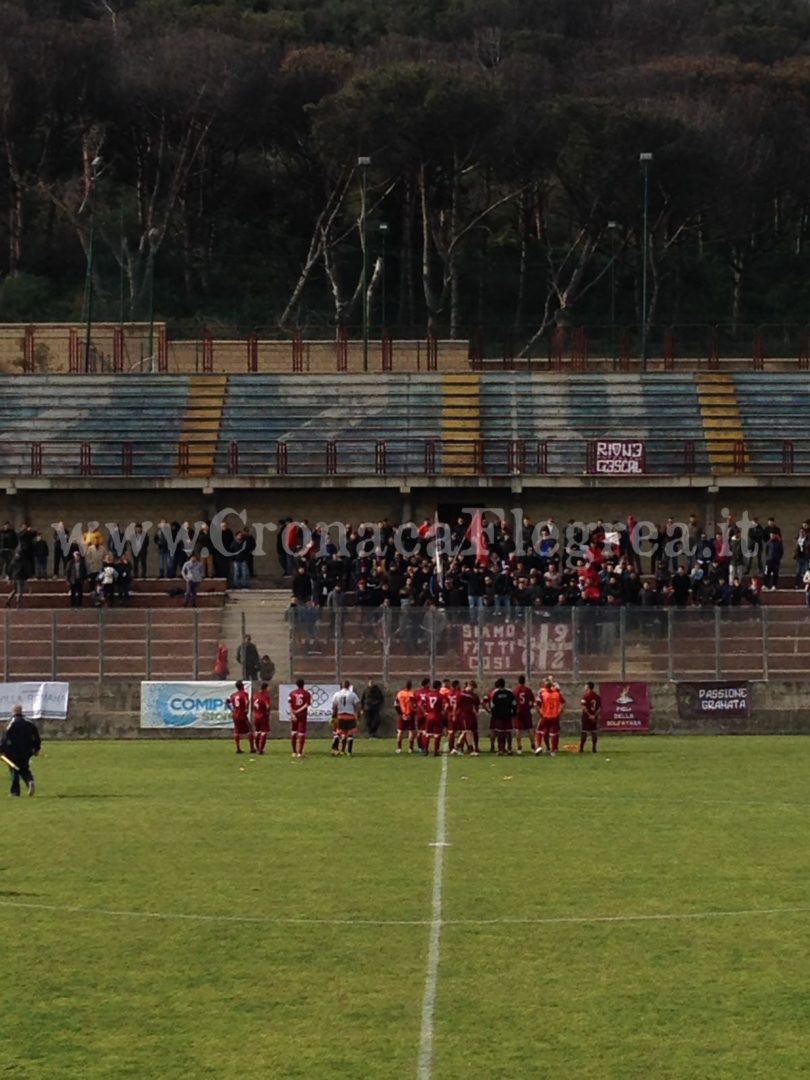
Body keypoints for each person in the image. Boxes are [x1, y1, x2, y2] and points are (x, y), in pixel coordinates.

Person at [1, 703, 40, 796]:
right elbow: (36, 736)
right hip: (27, 751)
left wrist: (1, 748)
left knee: (14, 769)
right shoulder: (29, 722)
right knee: (24, 768)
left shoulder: (12, 721)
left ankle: (15, 792)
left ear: (13, 712)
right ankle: (30, 781)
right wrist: (36, 748)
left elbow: (5, 736)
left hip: (13, 751)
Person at [535, 677, 565, 756]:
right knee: (553, 733)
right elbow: (563, 702)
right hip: (554, 716)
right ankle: (553, 751)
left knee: (539, 731)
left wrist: (540, 712)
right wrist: (560, 711)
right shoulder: (557, 693)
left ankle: (539, 747)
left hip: (546, 716)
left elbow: (536, 704)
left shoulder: (543, 694)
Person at [487, 678, 517, 755]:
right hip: (507, 714)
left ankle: (501, 749)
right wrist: (514, 713)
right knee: (508, 731)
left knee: (500, 732)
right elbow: (514, 703)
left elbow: (492, 705)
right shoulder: (509, 692)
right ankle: (509, 748)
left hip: (498, 716)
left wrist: (492, 713)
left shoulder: (495, 693)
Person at [330, 680, 360, 756]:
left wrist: (333, 716)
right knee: (350, 734)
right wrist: (358, 715)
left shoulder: (337, 694)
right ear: (349, 686)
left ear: (342, 686)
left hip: (340, 715)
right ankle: (348, 752)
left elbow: (334, 706)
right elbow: (358, 705)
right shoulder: (352, 694)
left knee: (338, 733)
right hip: (350, 716)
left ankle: (335, 750)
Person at [226, 680, 254, 754]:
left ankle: (238, 748)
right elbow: (246, 702)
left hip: (235, 715)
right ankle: (252, 748)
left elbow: (227, 701)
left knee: (237, 731)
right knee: (250, 730)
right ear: (242, 686)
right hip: (242, 715)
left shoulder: (233, 695)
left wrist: (232, 709)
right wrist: (246, 709)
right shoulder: (244, 694)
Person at [421, 680, 445, 758]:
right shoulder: (440, 695)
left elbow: (421, 704)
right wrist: (443, 712)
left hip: (429, 715)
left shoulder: (428, 694)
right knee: (437, 734)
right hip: (437, 715)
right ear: (439, 687)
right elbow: (444, 705)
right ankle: (436, 751)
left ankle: (425, 750)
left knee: (427, 733)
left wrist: (425, 712)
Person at [456, 680, 481, 755]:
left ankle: (456, 748)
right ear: (469, 686)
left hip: (470, 715)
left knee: (465, 732)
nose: (473, 690)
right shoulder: (462, 694)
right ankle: (471, 750)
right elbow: (457, 705)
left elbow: (477, 704)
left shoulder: (473, 695)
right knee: (467, 731)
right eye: (472, 688)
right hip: (464, 715)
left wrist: (476, 711)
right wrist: (456, 714)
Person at [289, 678, 312, 758]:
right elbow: (306, 704)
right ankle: (300, 752)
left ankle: (294, 752)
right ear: (303, 684)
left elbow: (290, 704)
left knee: (294, 732)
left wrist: (293, 713)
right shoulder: (306, 693)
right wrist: (298, 711)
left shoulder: (292, 693)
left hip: (294, 715)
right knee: (301, 733)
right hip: (302, 715)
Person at [513, 674, 535, 755]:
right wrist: (529, 707)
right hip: (526, 711)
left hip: (518, 712)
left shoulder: (515, 690)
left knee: (518, 730)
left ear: (518, 681)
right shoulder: (528, 690)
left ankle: (519, 747)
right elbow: (533, 701)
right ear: (524, 681)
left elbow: (513, 702)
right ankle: (533, 746)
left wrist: (515, 709)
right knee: (530, 728)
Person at [394, 680, 417, 754]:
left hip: (402, 714)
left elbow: (396, 705)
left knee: (400, 731)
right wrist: (412, 713)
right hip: (410, 715)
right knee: (411, 731)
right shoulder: (412, 694)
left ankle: (399, 748)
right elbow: (413, 705)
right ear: (411, 686)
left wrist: (401, 714)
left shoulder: (400, 693)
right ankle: (410, 748)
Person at [580, 681, 601, 753]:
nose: (585, 687)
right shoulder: (597, 696)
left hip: (586, 717)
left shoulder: (585, 696)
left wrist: (589, 715)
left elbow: (583, 707)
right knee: (594, 732)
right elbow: (599, 708)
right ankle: (594, 748)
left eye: (586, 686)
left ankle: (581, 748)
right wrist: (594, 716)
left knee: (584, 732)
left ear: (588, 687)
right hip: (594, 717)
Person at [252, 681, 271, 755]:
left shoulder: (256, 695)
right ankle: (261, 749)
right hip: (263, 716)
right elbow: (267, 706)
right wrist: (268, 712)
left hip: (256, 716)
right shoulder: (265, 696)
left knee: (257, 732)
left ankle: (257, 747)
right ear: (265, 688)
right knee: (264, 732)